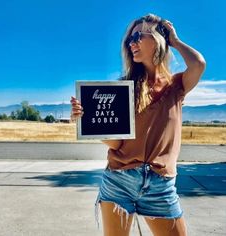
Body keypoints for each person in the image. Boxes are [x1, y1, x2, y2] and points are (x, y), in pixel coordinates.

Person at [70, 13, 206, 236]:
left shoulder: (177, 85)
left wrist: (175, 40)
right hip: (119, 180)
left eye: (138, 36)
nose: (131, 43)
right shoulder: (124, 89)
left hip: (161, 185)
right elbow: (116, 144)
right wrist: (88, 120)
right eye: (129, 39)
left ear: (159, 39)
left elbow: (199, 64)